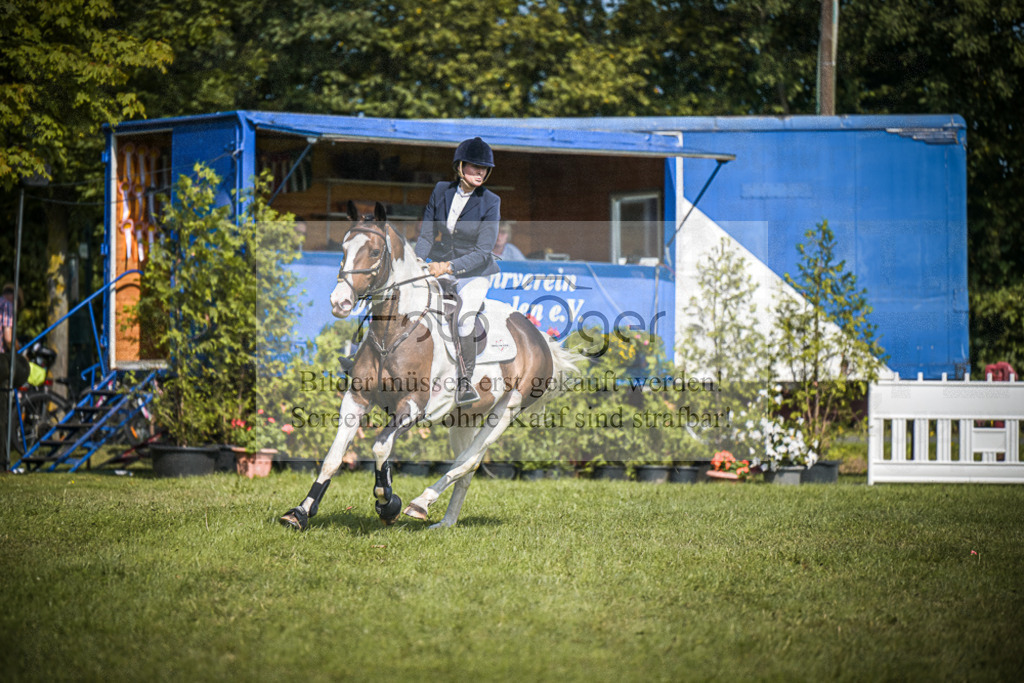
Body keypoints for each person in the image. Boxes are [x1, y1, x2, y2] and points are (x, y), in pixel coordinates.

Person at [415, 137, 501, 406]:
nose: (481, 173)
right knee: (406, 298)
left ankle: (465, 381)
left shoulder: (490, 201)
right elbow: (427, 235)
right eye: (475, 167)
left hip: (474, 272)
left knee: (463, 318)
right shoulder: (441, 191)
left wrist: (449, 267)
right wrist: (417, 260)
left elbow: (483, 251)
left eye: (484, 169)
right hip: (440, 265)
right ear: (460, 166)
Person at [1, 284, 30, 463]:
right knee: (2, 412)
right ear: (15, 298)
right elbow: (8, 338)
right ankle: (3, 460)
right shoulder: (7, 306)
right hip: (1, 362)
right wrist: (19, 354)